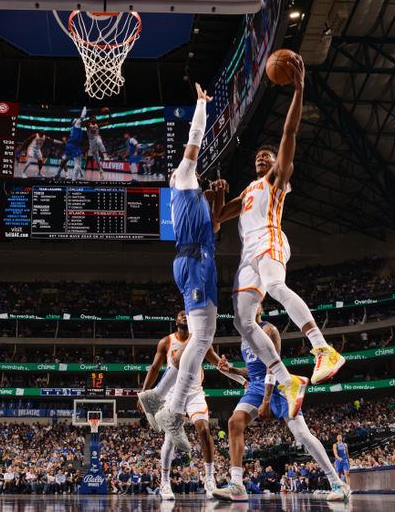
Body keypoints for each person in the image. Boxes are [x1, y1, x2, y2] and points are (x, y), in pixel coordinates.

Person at [215, 52, 344, 417]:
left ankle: (321, 347)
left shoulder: (275, 182)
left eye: (267, 156)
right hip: (247, 257)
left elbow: (289, 132)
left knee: (275, 287)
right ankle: (286, 378)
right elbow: (216, 220)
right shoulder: (247, 192)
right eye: (258, 156)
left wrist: (299, 89)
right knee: (242, 320)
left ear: (276, 165)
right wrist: (219, 193)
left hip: (271, 238)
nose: (261, 157)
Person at [144, 83, 228, 454]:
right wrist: (201, 104)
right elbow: (194, 139)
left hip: (198, 261)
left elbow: (217, 224)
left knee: (200, 338)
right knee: (203, 337)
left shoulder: (194, 201)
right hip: (194, 262)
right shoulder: (183, 178)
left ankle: (158, 397)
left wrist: (222, 196)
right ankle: (171, 410)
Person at [211, 310, 350, 502]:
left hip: (277, 385)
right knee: (234, 422)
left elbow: (272, 366)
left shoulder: (269, 330)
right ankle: (237, 486)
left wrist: (266, 399)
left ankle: (337, 483)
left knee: (302, 435)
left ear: (259, 308)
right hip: (255, 386)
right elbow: (252, 369)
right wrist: (233, 369)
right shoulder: (245, 336)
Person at [137, 310, 241, 500]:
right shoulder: (166, 342)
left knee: (203, 429)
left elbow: (220, 365)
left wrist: (242, 380)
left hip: (194, 393)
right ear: (176, 320)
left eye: (187, 314)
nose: (184, 316)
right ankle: (165, 481)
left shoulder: (200, 340)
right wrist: (143, 391)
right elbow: (153, 368)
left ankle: (210, 478)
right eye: (180, 314)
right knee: (170, 437)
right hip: (172, 393)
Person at [56, 107, 86, 180]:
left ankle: (57, 174)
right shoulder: (77, 124)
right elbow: (83, 115)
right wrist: (85, 107)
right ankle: (73, 180)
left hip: (69, 145)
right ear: (75, 121)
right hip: (74, 146)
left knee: (63, 161)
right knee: (77, 163)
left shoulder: (72, 127)